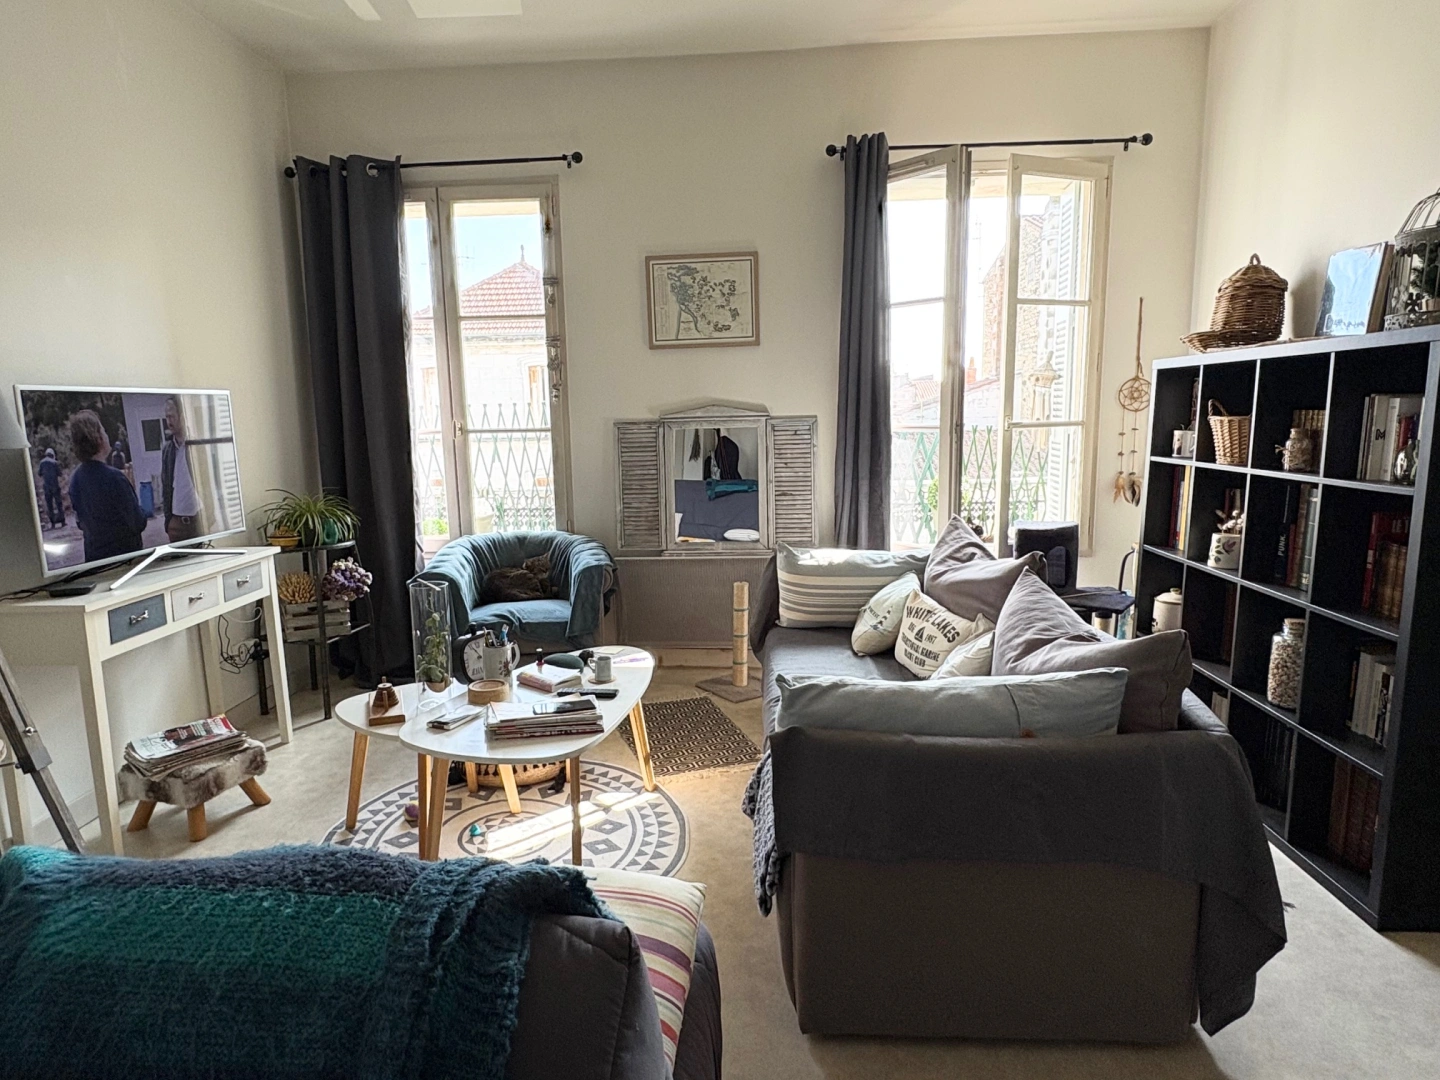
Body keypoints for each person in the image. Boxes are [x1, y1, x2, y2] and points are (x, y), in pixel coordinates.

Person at [66, 410, 146, 563]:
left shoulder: (75, 479)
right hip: (124, 559)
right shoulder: (115, 478)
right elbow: (137, 522)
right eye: (103, 430)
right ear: (97, 438)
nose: (107, 435)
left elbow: (80, 523)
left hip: (95, 559)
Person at [161, 396, 202, 543]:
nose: (169, 421)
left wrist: (209, 518)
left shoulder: (198, 445)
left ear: (182, 416)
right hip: (176, 525)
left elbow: (209, 482)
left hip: (198, 522)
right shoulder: (167, 450)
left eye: (172, 416)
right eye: (166, 417)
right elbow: (166, 487)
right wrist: (168, 522)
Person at [37, 448, 64, 528]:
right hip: (55, 486)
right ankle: (62, 521)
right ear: (52, 455)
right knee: (59, 504)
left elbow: (39, 473)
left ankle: (53, 523)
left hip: (47, 487)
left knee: (50, 505)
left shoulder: (42, 463)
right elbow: (60, 473)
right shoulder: (54, 462)